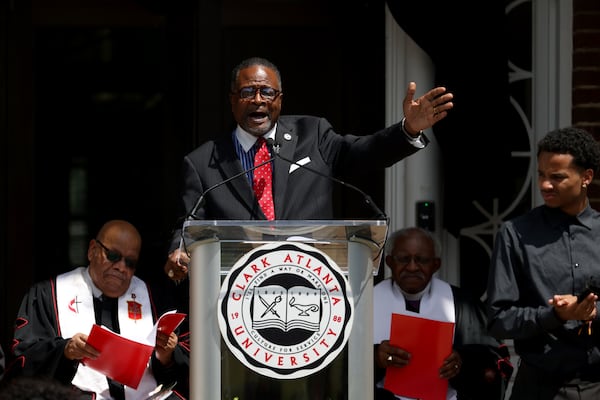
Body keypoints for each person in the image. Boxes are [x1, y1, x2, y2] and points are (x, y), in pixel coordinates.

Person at [163, 55, 454, 280]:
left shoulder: (312, 134)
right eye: (247, 92)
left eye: (267, 92)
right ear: (232, 100)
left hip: (311, 285)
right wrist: (179, 250)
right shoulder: (203, 162)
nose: (258, 100)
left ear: (280, 99)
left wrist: (408, 130)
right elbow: (188, 225)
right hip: (236, 292)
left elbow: (363, 153)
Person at [8, 219, 189, 400]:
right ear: (92, 250)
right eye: (113, 256)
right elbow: (22, 362)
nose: (121, 267)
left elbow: (186, 374)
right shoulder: (48, 295)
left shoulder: (155, 300)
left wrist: (166, 357)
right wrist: (65, 351)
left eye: (130, 262)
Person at [487, 126, 600, 400]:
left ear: (586, 177)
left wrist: (593, 311)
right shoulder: (516, 234)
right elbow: (499, 319)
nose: (544, 185)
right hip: (538, 388)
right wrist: (556, 315)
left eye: (557, 177)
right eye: (541, 175)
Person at [374, 227, 512, 400]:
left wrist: (462, 362)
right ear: (389, 261)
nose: (412, 267)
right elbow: (341, 365)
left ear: (436, 264)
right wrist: (375, 358)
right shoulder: (365, 305)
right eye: (403, 259)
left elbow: (495, 361)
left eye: (422, 260)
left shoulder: (464, 304)